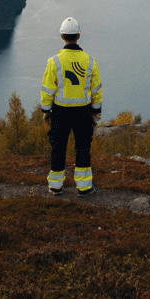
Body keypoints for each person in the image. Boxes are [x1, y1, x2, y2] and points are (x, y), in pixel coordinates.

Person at [41, 17, 102, 197]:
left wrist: (46, 111)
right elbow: (96, 89)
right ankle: (83, 187)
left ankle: (55, 186)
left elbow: (47, 89)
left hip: (60, 112)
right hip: (83, 112)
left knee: (58, 147)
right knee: (83, 147)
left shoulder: (54, 62)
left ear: (62, 36)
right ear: (78, 35)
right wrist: (95, 111)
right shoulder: (90, 61)